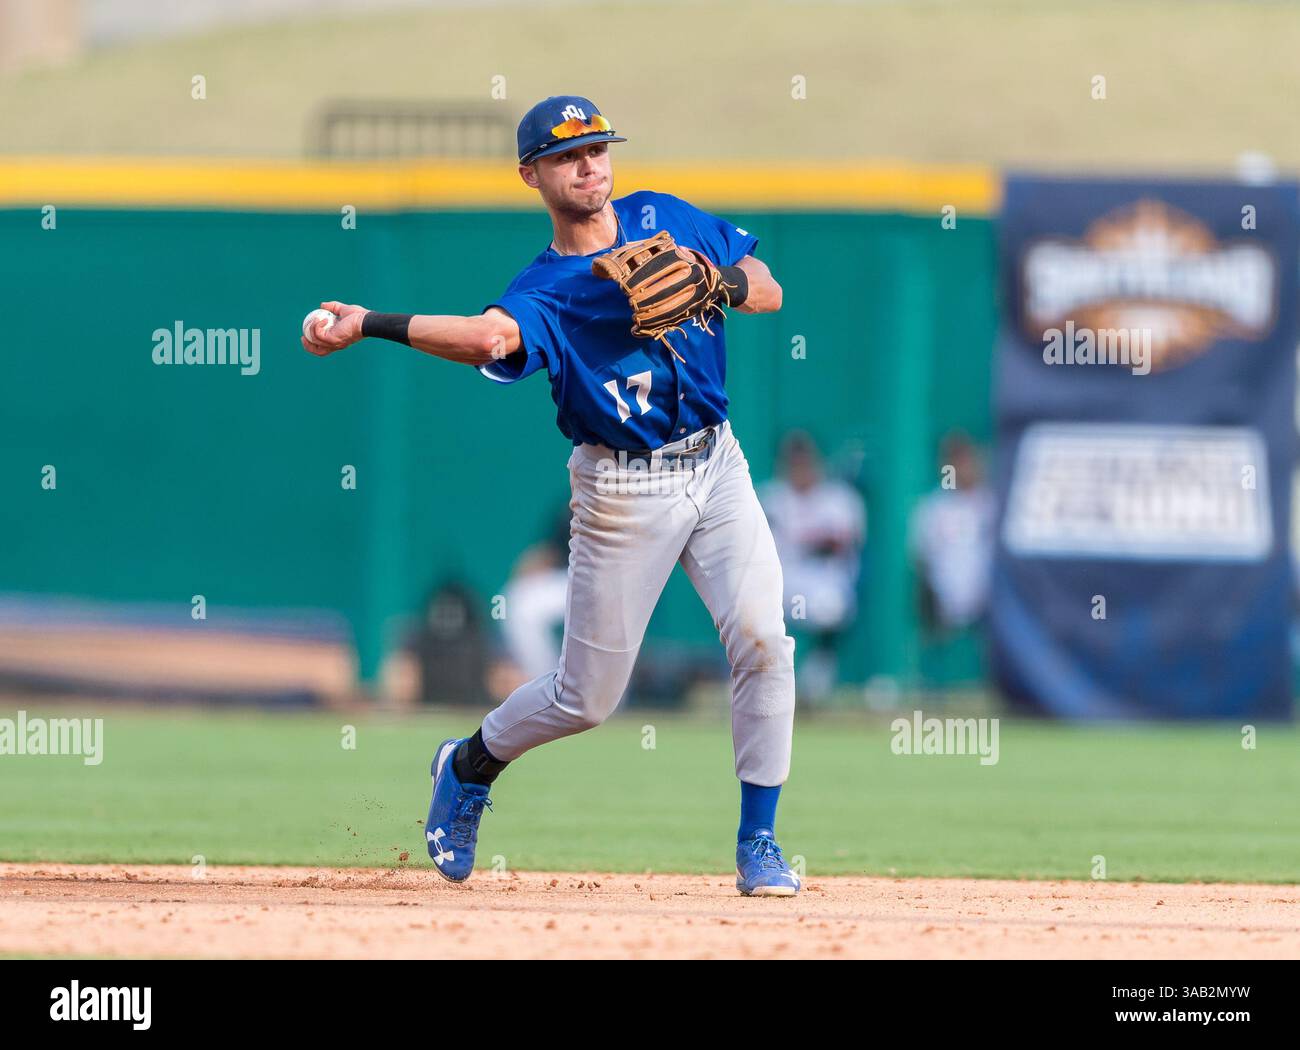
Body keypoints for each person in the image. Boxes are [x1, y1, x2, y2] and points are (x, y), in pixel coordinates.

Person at [302, 96, 800, 897]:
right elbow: (485, 340)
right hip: (622, 488)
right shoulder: (549, 288)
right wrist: (369, 322)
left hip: (718, 463)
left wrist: (718, 280)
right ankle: (467, 765)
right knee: (586, 699)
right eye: (569, 155)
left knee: (766, 644)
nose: (590, 164)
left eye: (599, 148)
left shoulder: (664, 218)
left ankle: (760, 842)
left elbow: (769, 285)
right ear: (532, 173)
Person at [759, 431, 865, 705]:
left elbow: (837, 545)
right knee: (748, 611)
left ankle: (816, 680)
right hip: (780, 582)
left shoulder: (839, 499)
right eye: (793, 462)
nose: (800, 469)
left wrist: (801, 540)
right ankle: (759, 684)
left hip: (822, 583)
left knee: (830, 607)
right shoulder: (770, 497)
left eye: (805, 461)